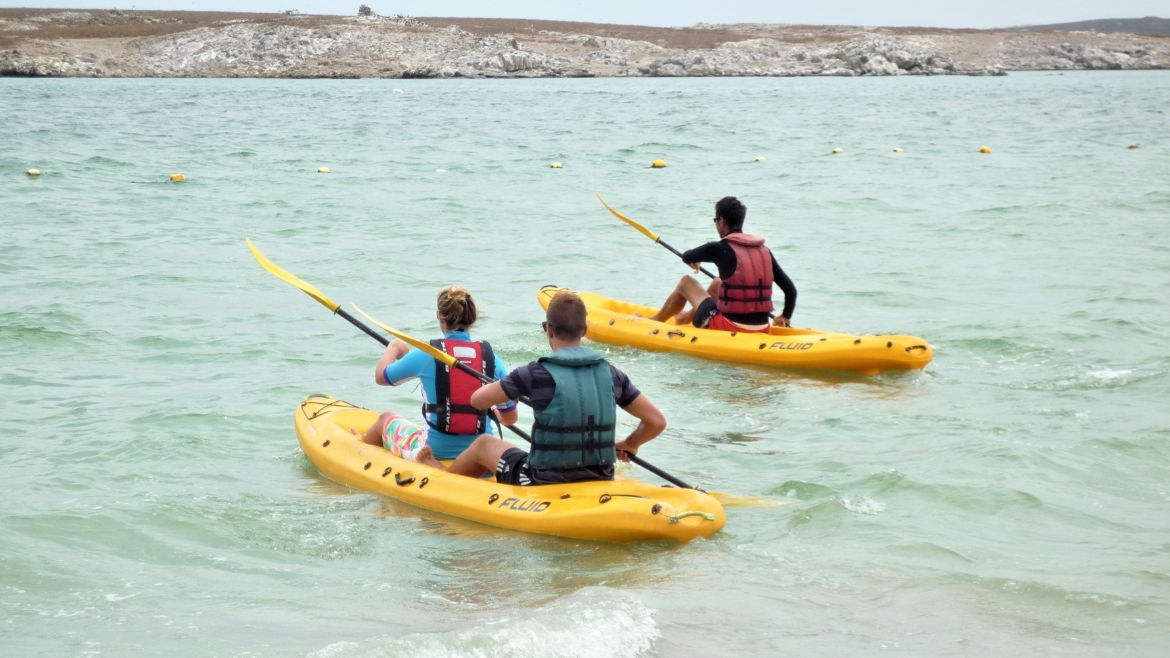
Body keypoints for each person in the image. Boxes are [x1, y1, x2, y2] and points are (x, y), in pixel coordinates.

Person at [418, 290, 666, 485]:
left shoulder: (535, 373)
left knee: (483, 444)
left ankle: (445, 478)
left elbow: (477, 400)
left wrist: (510, 391)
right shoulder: (611, 373)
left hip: (541, 479)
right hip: (600, 474)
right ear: (586, 330)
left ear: (549, 330)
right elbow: (656, 421)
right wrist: (631, 442)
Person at [360, 286, 518, 461]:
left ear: (440, 316)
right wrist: (491, 409)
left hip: (435, 451)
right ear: (471, 317)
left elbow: (381, 377)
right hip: (479, 455)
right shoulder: (491, 358)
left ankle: (360, 451)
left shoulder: (426, 354)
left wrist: (394, 348)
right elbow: (510, 418)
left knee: (385, 419)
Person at [649, 196, 796, 334]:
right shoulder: (764, 251)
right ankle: (682, 319)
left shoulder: (720, 248)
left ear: (722, 221)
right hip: (762, 327)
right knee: (717, 283)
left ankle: (655, 321)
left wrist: (696, 260)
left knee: (685, 282)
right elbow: (791, 291)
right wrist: (785, 316)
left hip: (729, 326)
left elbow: (687, 256)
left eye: (715, 220)